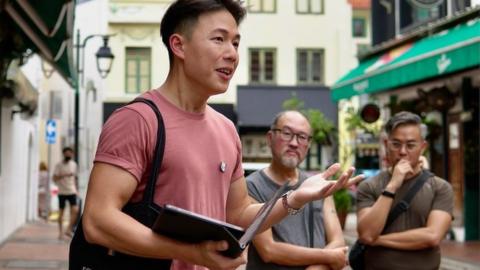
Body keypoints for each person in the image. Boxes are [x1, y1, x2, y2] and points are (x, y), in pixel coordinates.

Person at [79, 1, 363, 270]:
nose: (232, 53)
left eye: (236, 42)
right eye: (219, 39)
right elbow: (98, 221)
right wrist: (191, 253)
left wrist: (294, 199)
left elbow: (237, 215)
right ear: (179, 45)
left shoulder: (226, 130)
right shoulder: (138, 119)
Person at [246, 111, 350, 270]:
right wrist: (329, 257)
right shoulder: (252, 186)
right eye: (287, 133)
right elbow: (269, 250)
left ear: (308, 145)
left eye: (302, 137)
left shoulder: (318, 184)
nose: (294, 143)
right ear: (269, 138)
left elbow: (337, 240)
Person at [356, 111, 454, 270]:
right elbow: (367, 234)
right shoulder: (369, 186)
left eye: (410, 145)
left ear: (422, 147)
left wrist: (378, 240)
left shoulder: (440, 187)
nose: (402, 151)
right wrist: (392, 185)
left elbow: (432, 236)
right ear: (386, 144)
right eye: (396, 144)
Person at [53, 147, 79, 239]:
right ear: (63, 154)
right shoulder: (58, 165)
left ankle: (68, 229)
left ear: (72, 154)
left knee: (75, 210)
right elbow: (54, 179)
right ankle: (60, 233)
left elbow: (75, 178)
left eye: (70, 153)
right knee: (61, 213)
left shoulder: (74, 165)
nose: (68, 155)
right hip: (62, 192)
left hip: (71, 190)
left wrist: (76, 190)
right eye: (67, 153)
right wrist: (64, 175)